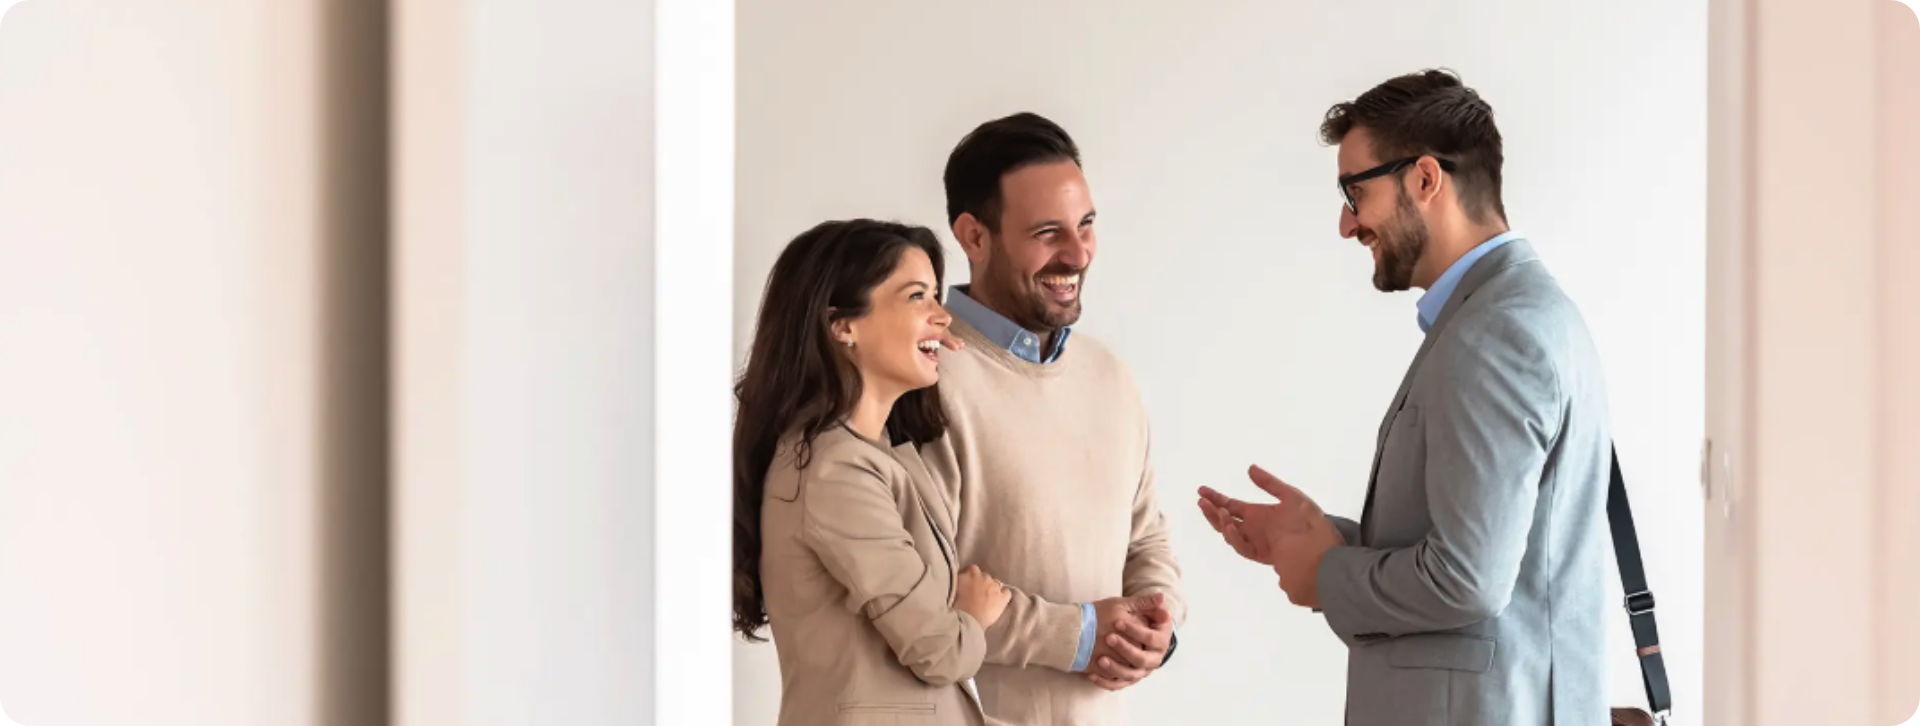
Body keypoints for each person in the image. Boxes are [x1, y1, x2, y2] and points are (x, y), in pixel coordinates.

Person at [1196, 69, 1614, 725]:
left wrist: (1328, 574)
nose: (1347, 224)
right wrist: (1319, 542)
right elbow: (1498, 547)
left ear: (1424, 179)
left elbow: (1468, 579)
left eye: (1355, 192)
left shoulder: (1496, 332)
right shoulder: (1515, 312)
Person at [916, 112, 1185, 726]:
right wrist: (1080, 635)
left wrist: (1160, 624)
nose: (1078, 253)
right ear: (974, 236)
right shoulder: (923, 377)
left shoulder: (1109, 376)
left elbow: (1145, 537)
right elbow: (914, 592)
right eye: (1047, 232)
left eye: (1086, 224)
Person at [732, 219, 1013, 726]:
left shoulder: (875, 453)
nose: (942, 316)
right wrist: (973, 614)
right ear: (842, 326)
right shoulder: (836, 470)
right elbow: (940, 651)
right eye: (917, 297)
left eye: (935, 296)